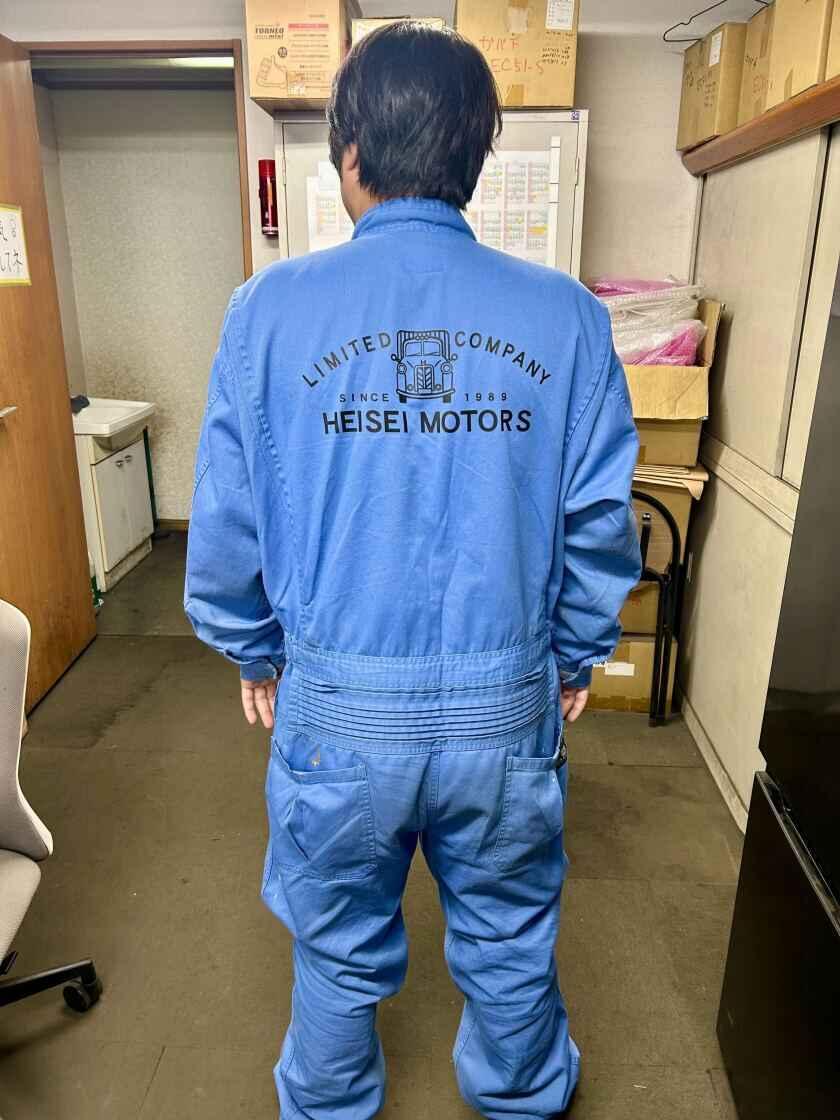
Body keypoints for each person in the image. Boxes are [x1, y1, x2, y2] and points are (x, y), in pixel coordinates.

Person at [185, 21, 640, 1120]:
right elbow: (598, 521)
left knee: (335, 939)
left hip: (337, 710)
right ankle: (522, 1095)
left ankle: (330, 1102)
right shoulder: (569, 320)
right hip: (506, 708)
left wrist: (252, 646)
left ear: (350, 152)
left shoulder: (268, 313)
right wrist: (574, 654)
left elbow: (228, 514)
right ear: (474, 155)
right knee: (509, 928)